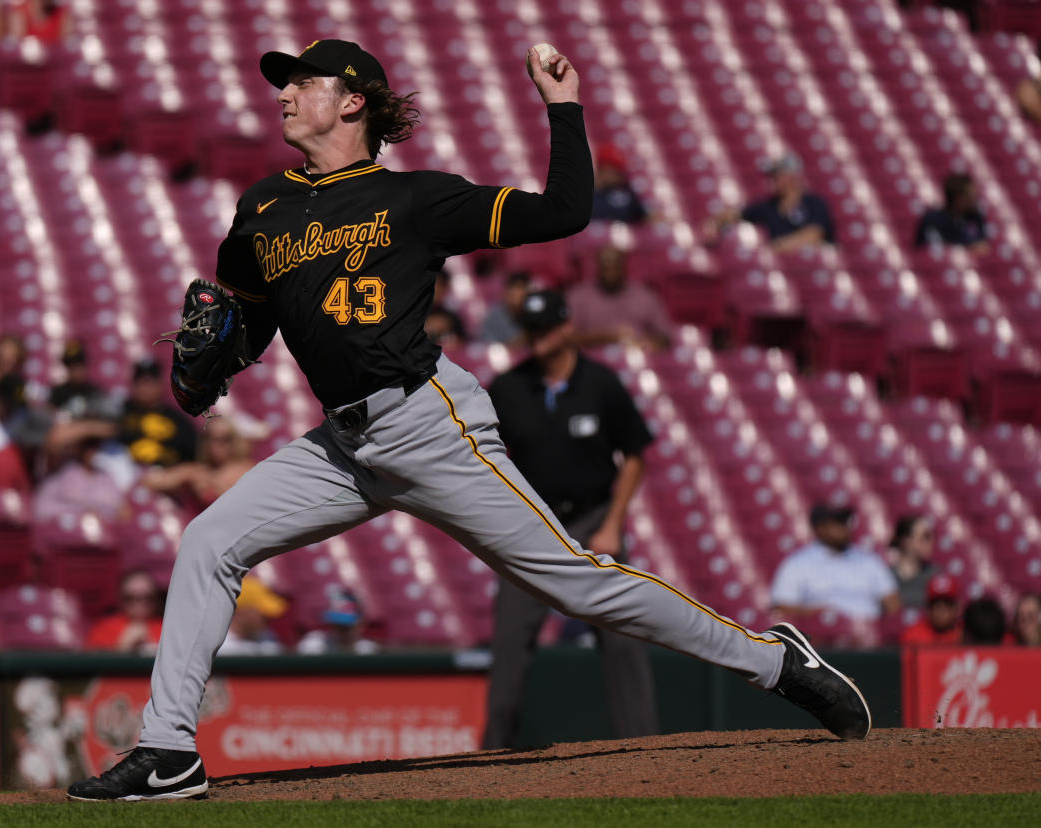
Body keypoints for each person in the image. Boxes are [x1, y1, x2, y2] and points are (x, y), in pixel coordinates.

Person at [68, 39, 871, 803]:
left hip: (427, 422)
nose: (283, 93)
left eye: (303, 81)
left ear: (351, 103)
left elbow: (563, 211)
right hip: (344, 445)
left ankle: (774, 663)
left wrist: (563, 107)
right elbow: (253, 321)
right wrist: (222, 354)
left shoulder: (415, 198)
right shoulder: (264, 206)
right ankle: (170, 750)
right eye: (286, 81)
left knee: (577, 585)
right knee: (209, 541)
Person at [481, 289, 659, 748]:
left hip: (591, 521)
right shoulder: (509, 387)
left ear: (565, 328)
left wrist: (613, 524)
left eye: (544, 328)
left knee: (622, 639)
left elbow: (635, 455)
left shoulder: (601, 383)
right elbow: (485, 458)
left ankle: (644, 751)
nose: (535, 337)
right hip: (531, 528)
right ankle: (493, 757)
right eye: (530, 329)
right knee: (509, 644)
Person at [771, 504, 901, 622]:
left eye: (845, 522)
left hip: (869, 637)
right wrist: (818, 614)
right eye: (837, 522)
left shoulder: (869, 560)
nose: (844, 527)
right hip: (821, 639)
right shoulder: (797, 563)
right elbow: (781, 608)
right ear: (819, 528)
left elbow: (893, 603)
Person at [712, 153, 835, 252]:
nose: (772, 180)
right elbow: (736, 214)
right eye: (772, 176)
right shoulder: (768, 206)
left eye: (777, 175)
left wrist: (777, 247)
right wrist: (716, 222)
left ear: (793, 177)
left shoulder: (814, 203)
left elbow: (814, 235)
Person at [566, 244, 673, 350]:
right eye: (606, 266)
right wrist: (605, 338)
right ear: (598, 266)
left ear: (623, 266)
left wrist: (649, 342)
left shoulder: (645, 295)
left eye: (615, 265)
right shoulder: (578, 296)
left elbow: (665, 336)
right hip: (591, 361)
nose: (610, 272)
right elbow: (566, 338)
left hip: (634, 360)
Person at [140, 416, 257, 509]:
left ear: (234, 441)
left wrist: (214, 485)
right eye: (209, 438)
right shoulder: (196, 471)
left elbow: (249, 503)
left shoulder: (247, 470)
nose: (215, 446)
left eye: (224, 439)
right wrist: (186, 478)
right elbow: (150, 482)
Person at [118, 358, 198, 468]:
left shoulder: (178, 420)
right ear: (132, 384)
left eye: (151, 380)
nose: (145, 386)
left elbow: (194, 459)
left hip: (169, 478)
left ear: (161, 384)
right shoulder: (119, 413)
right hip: (125, 476)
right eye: (140, 380)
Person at [32, 433, 125, 523]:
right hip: (68, 533)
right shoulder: (62, 475)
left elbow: (120, 509)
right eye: (87, 447)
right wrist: (80, 512)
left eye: (95, 446)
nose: (92, 452)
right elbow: (42, 508)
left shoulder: (105, 477)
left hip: (104, 533)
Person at [86, 570, 165, 654]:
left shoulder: (165, 629)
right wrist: (122, 647)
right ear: (120, 599)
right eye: (130, 598)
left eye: (147, 597)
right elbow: (94, 663)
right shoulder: (103, 629)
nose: (139, 604)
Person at [914, 173, 989, 251]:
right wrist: (967, 247)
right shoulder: (932, 220)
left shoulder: (975, 217)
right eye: (971, 197)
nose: (975, 200)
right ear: (959, 199)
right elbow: (929, 249)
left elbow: (984, 247)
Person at [296, 586, 379, 655]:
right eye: (339, 626)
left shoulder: (369, 651)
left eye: (347, 627)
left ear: (361, 624)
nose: (343, 631)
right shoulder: (314, 647)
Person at [216, 576, 287, 656]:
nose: (268, 618)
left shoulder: (268, 640)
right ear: (242, 613)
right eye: (262, 614)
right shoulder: (217, 648)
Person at [49, 339, 111, 419]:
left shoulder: (95, 392)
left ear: (85, 367)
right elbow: (52, 424)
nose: (75, 372)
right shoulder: (58, 393)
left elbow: (107, 425)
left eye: (79, 367)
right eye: (71, 368)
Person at [590, 143, 650, 224]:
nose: (612, 175)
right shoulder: (589, 192)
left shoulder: (626, 191)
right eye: (608, 170)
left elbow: (643, 217)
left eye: (616, 171)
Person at [887, 515, 937, 610]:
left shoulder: (936, 576)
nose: (932, 541)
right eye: (925, 537)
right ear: (906, 541)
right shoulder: (884, 575)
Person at [899, 574, 962, 646]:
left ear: (956, 607)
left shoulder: (964, 635)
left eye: (947, 603)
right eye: (935, 603)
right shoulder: (912, 636)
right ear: (928, 607)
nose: (941, 609)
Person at [479, 270, 531, 346]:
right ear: (506, 292)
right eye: (513, 289)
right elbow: (492, 349)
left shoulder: (533, 310)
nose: (516, 294)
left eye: (521, 288)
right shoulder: (493, 317)